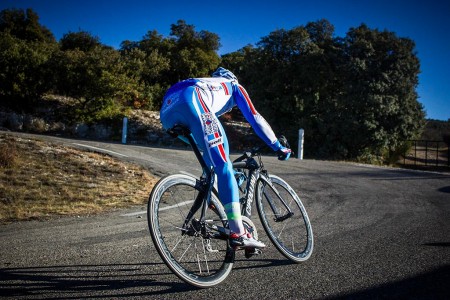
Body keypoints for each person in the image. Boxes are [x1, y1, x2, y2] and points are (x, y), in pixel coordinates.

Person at [160, 67, 291, 249]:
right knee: (223, 166)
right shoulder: (233, 85)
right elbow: (255, 117)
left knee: (213, 160)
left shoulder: (208, 83)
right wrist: (278, 146)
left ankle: (215, 199)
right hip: (192, 100)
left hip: (167, 111)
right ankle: (239, 232)